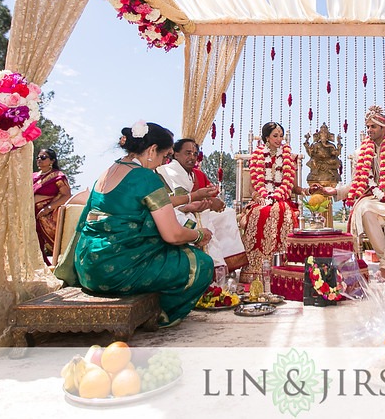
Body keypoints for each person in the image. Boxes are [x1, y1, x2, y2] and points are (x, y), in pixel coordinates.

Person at [73, 122, 214, 328]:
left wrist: (191, 197)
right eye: (164, 156)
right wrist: (199, 235)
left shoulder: (108, 172)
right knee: (201, 263)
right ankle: (158, 315)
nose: (163, 163)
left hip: (87, 267)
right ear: (152, 150)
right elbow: (173, 235)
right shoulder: (145, 177)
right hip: (118, 269)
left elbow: (149, 203)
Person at [312, 106, 385, 281]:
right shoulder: (360, 154)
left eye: (373, 127)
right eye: (367, 127)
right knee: (366, 210)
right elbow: (355, 183)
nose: (369, 130)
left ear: (383, 128)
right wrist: (335, 191)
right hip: (370, 197)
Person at [158, 138, 248, 274]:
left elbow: (205, 194)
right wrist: (198, 204)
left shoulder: (193, 174)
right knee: (203, 220)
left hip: (193, 209)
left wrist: (209, 202)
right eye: (188, 153)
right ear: (175, 154)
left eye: (195, 154)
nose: (192, 157)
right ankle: (212, 267)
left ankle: (227, 264)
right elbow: (170, 200)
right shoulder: (168, 171)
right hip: (175, 213)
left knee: (227, 213)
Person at [238, 121, 299, 283]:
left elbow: (291, 185)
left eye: (281, 136)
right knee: (259, 212)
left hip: (282, 198)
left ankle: (281, 268)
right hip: (261, 198)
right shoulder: (257, 156)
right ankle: (255, 268)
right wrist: (257, 196)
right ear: (267, 138)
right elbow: (253, 186)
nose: (279, 139)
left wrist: (305, 191)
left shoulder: (287, 157)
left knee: (280, 211)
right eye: (275, 136)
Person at [33, 147, 72, 264]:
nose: (39, 160)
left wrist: (48, 208)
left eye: (43, 157)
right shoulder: (33, 176)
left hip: (47, 215)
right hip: (31, 214)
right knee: (34, 244)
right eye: (38, 157)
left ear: (52, 160)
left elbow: (66, 195)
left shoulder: (58, 176)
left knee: (57, 244)